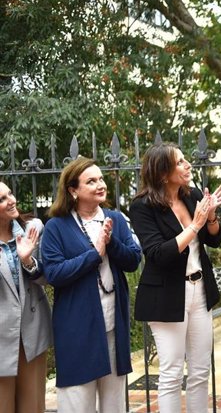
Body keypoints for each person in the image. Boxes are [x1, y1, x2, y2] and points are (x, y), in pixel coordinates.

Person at [129, 142, 221, 412]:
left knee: (200, 370)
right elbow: (158, 253)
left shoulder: (191, 194)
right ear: (162, 173)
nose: (188, 165)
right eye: (180, 162)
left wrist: (210, 216)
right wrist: (195, 224)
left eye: (185, 160)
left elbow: (214, 239)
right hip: (166, 295)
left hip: (200, 290)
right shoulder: (142, 207)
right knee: (171, 373)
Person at [41, 157, 142, 412]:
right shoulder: (56, 226)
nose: (101, 184)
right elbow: (53, 274)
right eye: (91, 181)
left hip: (112, 326)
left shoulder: (115, 219)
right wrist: (94, 254)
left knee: (114, 405)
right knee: (78, 403)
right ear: (73, 190)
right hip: (76, 329)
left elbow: (133, 260)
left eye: (101, 178)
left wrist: (111, 243)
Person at [0, 182, 51, 413]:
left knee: (32, 406)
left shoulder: (33, 228)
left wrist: (27, 260)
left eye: (10, 193)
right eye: (2, 199)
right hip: (2, 335)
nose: (11, 200)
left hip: (32, 331)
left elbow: (48, 278)